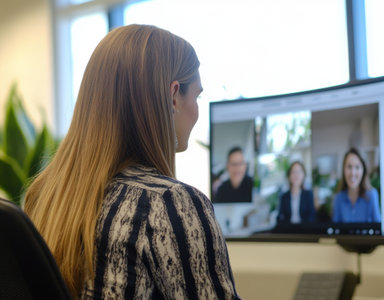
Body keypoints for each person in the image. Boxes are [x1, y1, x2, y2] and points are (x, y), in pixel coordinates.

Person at [24, 25, 241, 299]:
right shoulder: (169, 203)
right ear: (174, 95)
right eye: (197, 96)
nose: (197, 109)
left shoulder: (44, 196)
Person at [332, 148, 381, 223]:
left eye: (357, 167)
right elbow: (335, 230)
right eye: (349, 167)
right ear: (343, 170)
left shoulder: (372, 195)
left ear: (363, 170)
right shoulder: (338, 198)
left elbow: (378, 227)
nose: (353, 173)